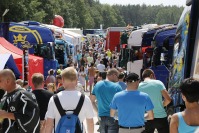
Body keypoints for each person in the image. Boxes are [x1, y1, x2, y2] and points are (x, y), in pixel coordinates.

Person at [44, 67, 94, 133]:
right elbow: (90, 123)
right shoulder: (85, 99)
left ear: (63, 80)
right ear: (76, 81)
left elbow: (49, 124)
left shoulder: (54, 99)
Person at [138, 69, 171, 133]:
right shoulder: (158, 83)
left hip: (146, 118)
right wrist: (162, 105)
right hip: (161, 117)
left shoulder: (138, 86)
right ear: (151, 75)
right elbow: (168, 99)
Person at [91, 68, 122, 133]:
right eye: (117, 76)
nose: (118, 79)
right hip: (114, 117)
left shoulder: (97, 85)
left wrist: (98, 112)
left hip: (101, 117)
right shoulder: (117, 87)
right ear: (113, 75)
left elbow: (92, 101)